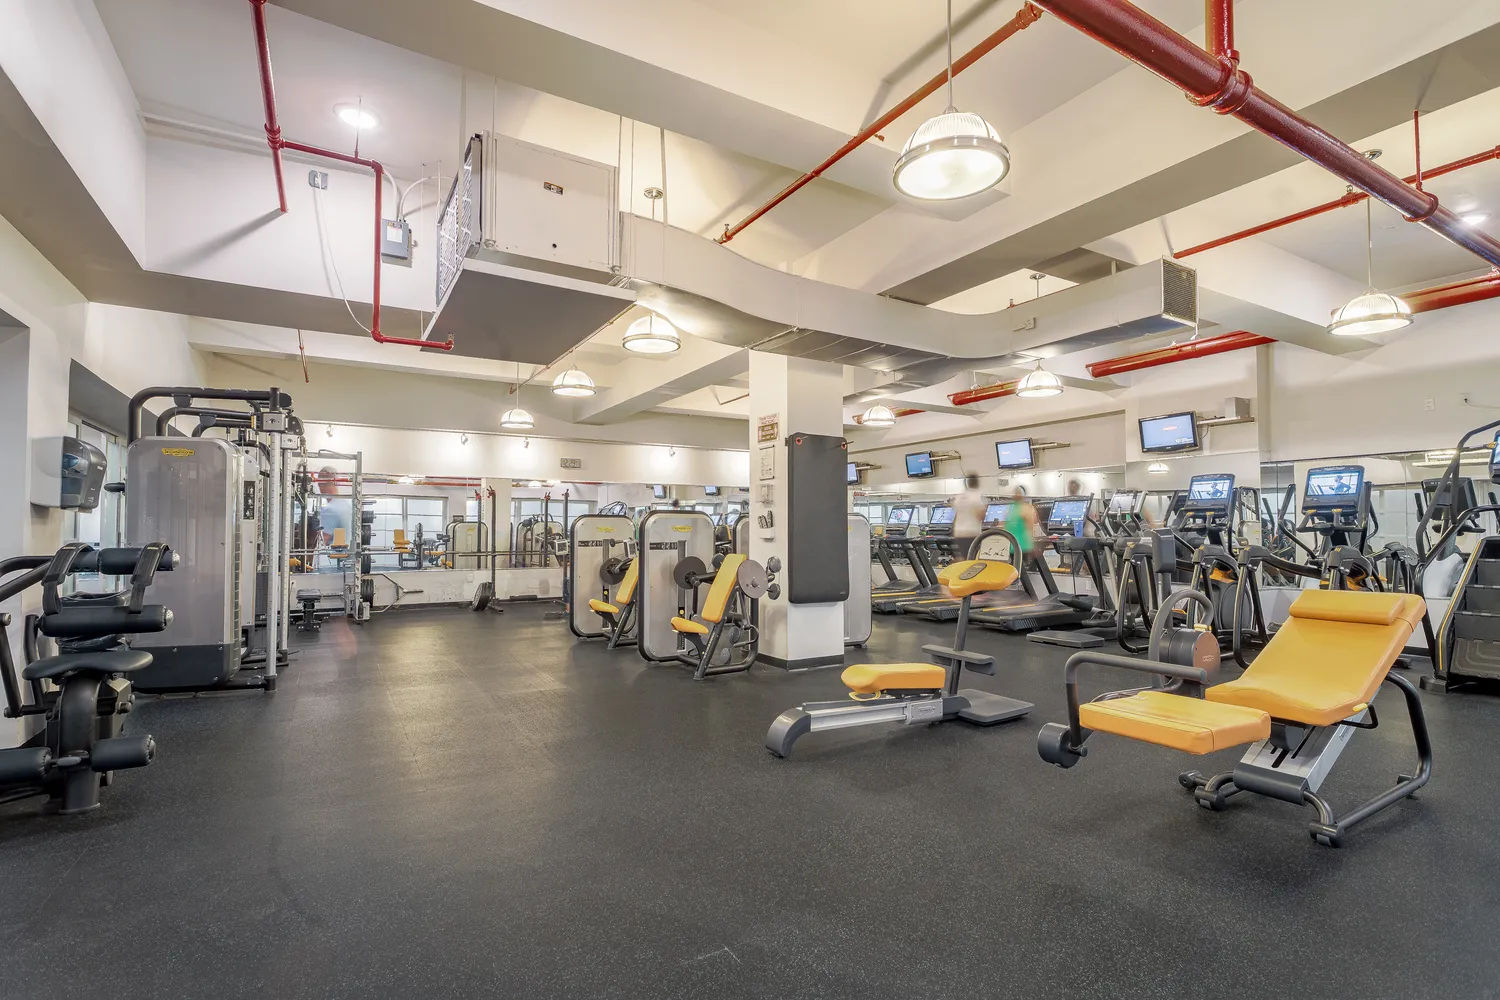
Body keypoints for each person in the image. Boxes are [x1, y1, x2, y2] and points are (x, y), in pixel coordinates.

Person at [316, 466, 353, 562]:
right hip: (349, 560)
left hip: (332, 562)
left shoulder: (329, 509)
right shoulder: (348, 506)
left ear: (321, 485)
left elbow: (323, 542)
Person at [952, 472, 986, 556]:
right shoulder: (976, 496)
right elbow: (980, 516)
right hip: (972, 533)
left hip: (959, 533)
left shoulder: (959, 497)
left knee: (965, 557)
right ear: (977, 483)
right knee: (973, 559)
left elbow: (956, 515)